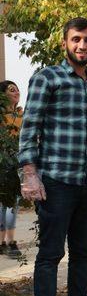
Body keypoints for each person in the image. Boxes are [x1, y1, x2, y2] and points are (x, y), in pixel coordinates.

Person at [18, 17, 87, 296]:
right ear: (65, 43)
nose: (82, 45)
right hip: (57, 182)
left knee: (83, 253)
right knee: (49, 255)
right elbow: (30, 127)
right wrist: (29, 173)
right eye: (76, 39)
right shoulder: (47, 78)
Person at [0, 80, 23, 259]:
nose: (16, 92)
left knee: (13, 203)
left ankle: (9, 242)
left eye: (17, 89)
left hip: (17, 163)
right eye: (11, 90)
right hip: (2, 163)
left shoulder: (23, 115)